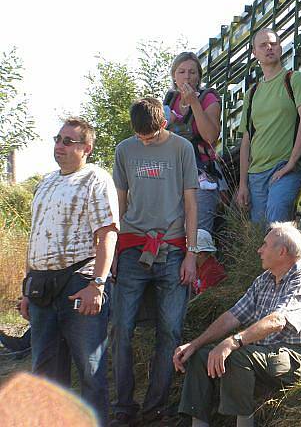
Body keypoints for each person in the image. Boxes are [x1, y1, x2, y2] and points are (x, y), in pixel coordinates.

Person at [173, 222, 301, 427]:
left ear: (281, 251)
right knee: (201, 355)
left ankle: (244, 423)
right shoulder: (264, 280)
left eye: (265, 245)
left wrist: (233, 341)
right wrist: (195, 344)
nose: (259, 250)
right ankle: (197, 423)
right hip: (267, 351)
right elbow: (232, 316)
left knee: (237, 355)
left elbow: (277, 320)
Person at [20, 117, 119, 424]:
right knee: (46, 371)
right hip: (41, 288)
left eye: (68, 141)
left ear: (86, 148)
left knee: (90, 370)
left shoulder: (96, 180)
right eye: (58, 139)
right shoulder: (45, 183)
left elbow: (108, 234)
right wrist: (27, 289)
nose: (59, 146)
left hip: (80, 283)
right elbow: (36, 236)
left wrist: (97, 285)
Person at [111, 98, 199, 426]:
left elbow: (191, 202)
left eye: (149, 136)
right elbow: (119, 201)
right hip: (132, 248)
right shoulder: (124, 150)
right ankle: (123, 408)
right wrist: (115, 250)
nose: (144, 142)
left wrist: (192, 252)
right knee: (120, 328)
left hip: (173, 249)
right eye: (139, 137)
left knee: (171, 330)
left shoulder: (181, 149)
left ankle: (156, 409)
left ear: (163, 123)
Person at [236, 28, 301, 226]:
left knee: (276, 220)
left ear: (281, 49)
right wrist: (242, 184)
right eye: (263, 45)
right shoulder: (252, 93)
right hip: (256, 174)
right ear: (255, 54)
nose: (269, 48)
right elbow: (246, 141)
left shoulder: (294, 79)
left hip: (284, 167)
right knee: (261, 235)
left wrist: (291, 163)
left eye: (273, 43)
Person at [165, 51, 225, 234]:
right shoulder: (169, 100)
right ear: (174, 76)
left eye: (192, 72)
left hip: (201, 177)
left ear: (198, 76)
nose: (187, 77)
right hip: (172, 177)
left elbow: (210, 137)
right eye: (181, 72)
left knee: (198, 235)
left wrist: (195, 104)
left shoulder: (208, 98)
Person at [192, 229, 227, 296]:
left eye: (190, 252)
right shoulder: (197, 265)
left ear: (200, 254)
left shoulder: (212, 270)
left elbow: (202, 298)